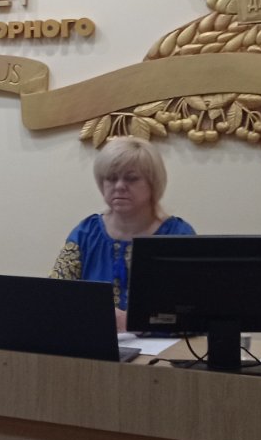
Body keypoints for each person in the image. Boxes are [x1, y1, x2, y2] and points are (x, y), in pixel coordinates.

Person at [51, 135, 195, 330]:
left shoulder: (178, 236)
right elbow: (56, 298)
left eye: (131, 178)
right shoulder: (86, 233)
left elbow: (194, 311)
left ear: (153, 183)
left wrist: (131, 321)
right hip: (95, 342)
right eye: (111, 178)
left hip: (164, 346)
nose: (119, 186)